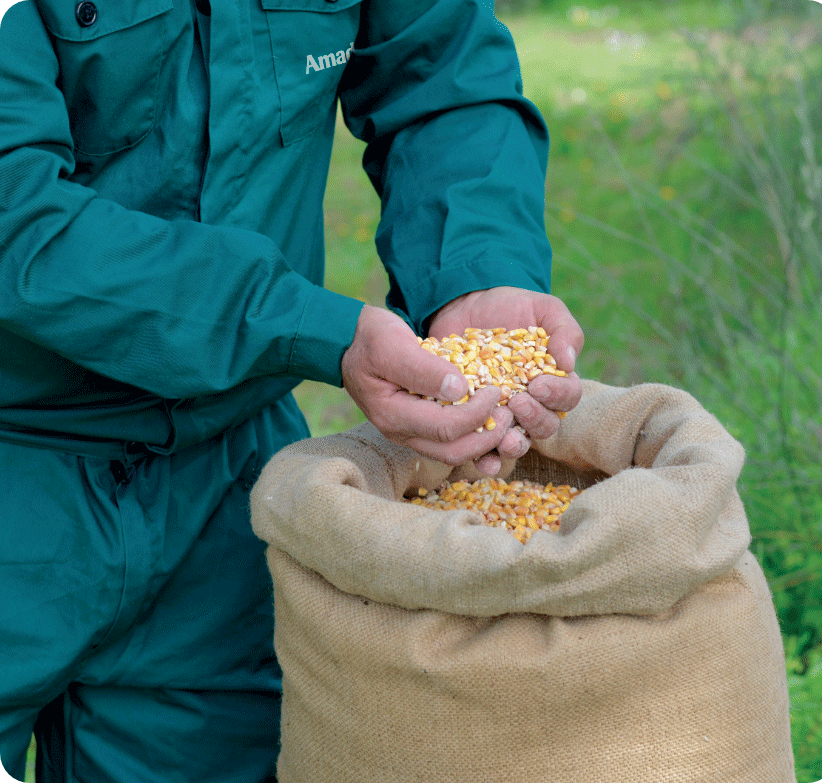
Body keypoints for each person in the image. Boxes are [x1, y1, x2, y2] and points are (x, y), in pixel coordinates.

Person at [0, 0, 583, 779]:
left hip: (226, 484)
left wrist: (474, 274)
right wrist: (306, 326)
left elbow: (441, 76)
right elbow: (16, 217)